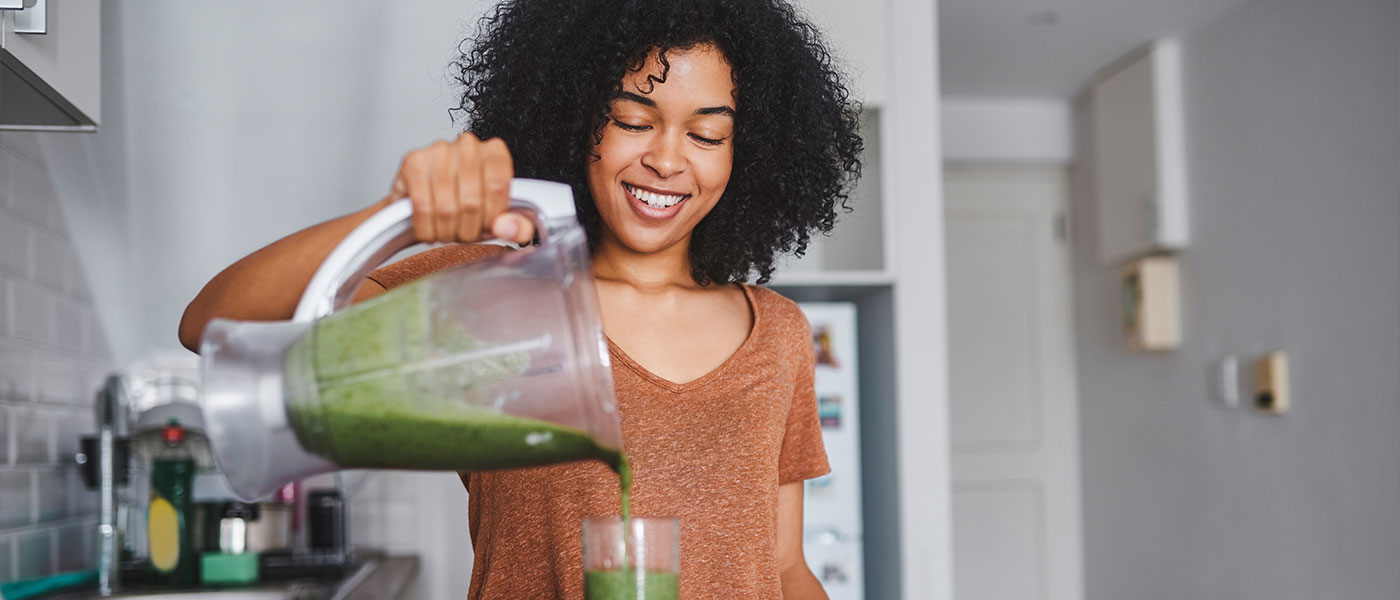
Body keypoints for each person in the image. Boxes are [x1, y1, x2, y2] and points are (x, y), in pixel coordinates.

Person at [179, 0, 863, 597]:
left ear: (749, 154)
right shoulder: (491, 300)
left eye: (707, 134)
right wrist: (400, 214)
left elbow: (782, 565)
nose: (667, 158)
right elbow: (213, 322)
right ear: (572, 121)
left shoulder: (775, 333)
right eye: (632, 119)